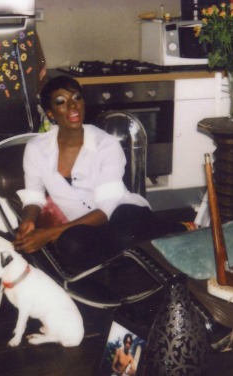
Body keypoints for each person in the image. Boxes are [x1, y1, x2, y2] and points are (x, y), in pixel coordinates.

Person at [13, 75, 191, 270]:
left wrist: (49, 234)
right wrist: (28, 221)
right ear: (50, 113)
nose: (72, 106)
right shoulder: (36, 148)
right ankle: (122, 263)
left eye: (77, 98)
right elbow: (34, 195)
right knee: (70, 244)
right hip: (84, 224)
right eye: (61, 102)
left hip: (122, 213)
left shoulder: (106, 144)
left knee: (123, 233)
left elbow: (106, 210)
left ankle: (176, 228)